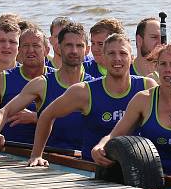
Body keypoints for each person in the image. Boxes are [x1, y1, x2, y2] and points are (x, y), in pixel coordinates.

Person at [27, 33, 156, 166]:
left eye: (123, 53)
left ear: (131, 58)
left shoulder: (147, 86)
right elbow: (47, 115)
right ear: (103, 58)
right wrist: (37, 155)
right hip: (93, 167)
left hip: (136, 167)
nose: (117, 58)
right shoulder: (84, 91)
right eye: (111, 54)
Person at [92, 43, 171, 176]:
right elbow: (114, 135)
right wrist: (100, 147)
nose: (167, 70)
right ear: (156, 67)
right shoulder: (143, 100)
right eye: (163, 64)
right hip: (150, 179)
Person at [0, 22, 92, 152]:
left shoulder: (93, 86)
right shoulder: (42, 83)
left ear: (87, 50)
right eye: (69, 45)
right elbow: (4, 112)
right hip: (52, 158)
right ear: (58, 48)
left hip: (85, 158)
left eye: (79, 46)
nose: (74, 51)